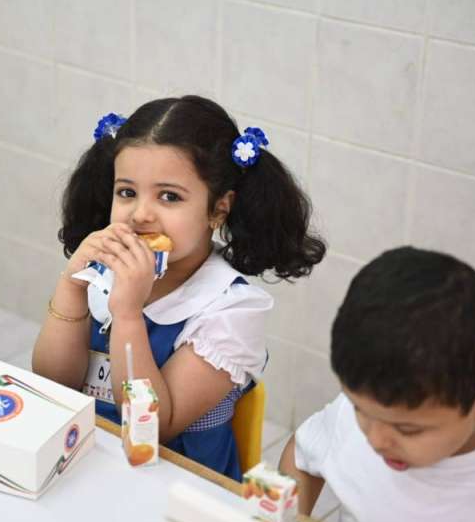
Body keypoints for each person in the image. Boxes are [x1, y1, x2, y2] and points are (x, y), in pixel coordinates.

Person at [33, 95, 325, 480]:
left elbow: (153, 429)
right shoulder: (105, 271)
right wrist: (71, 286)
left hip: (178, 481)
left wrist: (128, 314)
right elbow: (52, 385)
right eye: (127, 192)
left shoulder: (232, 310)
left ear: (218, 209)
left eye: (169, 197)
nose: (140, 215)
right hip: (87, 455)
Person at [279, 246, 475, 522]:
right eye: (362, 411)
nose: (376, 440)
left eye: (407, 429)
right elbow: (301, 456)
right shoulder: (348, 416)